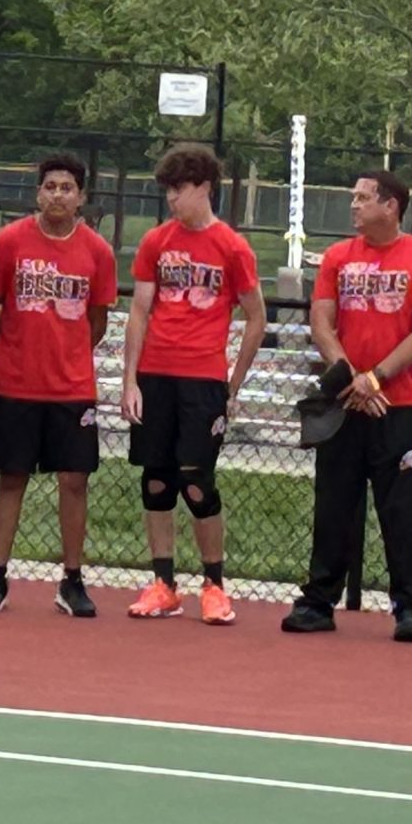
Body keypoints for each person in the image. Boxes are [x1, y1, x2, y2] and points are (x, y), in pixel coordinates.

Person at [279, 170, 412, 643]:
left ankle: (409, 608)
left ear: (391, 205)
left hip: (399, 408)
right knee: (334, 505)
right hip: (346, 404)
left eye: (362, 198)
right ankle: (318, 601)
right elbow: (321, 320)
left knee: (403, 511)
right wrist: (354, 380)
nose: (353, 205)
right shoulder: (337, 257)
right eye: (353, 197)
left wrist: (377, 378)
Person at [122, 144, 266, 624]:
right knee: (156, 480)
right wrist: (130, 381)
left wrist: (234, 382)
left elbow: (256, 316)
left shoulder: (232, 246)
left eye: (179, 189)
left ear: (204, 187)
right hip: (156, 375)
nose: (172, 199)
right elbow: (139, 311)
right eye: (167, 190)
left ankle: (214, 586)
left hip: (203, 378)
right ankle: (164, 583)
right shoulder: (156, 242)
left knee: (196, 481)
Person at [0, 152, 117, 617]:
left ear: (81, 198)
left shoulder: (97, 251)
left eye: (67, 188)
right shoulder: (9, 241)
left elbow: (98, 322)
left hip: (72, 389)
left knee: (74, 481)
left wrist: (68, 356)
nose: (58, 194)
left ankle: (72, 580)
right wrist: (11, 349)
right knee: (11, 478)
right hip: (14, 384)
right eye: (50, 186)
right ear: (38, 192)